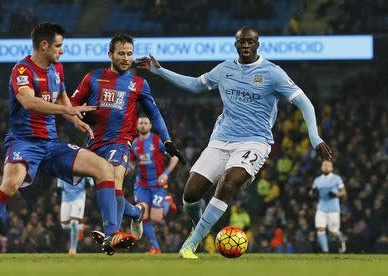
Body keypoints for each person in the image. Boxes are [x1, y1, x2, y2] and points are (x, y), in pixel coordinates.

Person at [136, 26, 333, 259]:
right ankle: (200, 227)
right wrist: (160, 72)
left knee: (229, 183)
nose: (246, 45)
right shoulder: (225, 68)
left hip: (255, 142)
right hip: (220, 140)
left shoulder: (272, 73)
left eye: (251, 41)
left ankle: (191, 243)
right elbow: (196, 85)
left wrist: (314, 136)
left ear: (258, 44)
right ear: (236, 44)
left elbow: (305, 103)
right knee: (190, 194)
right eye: (242, 42)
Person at [0, 22, 130, 259]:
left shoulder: (57, 69)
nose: (61, 51)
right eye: (58, 46)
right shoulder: (22, 71)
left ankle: (111, 235)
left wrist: (75, 119)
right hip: (24, 142)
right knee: (11, 183)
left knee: (104, 168)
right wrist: (66, 111)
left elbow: (63, 97)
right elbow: (28, 102)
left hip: (52, 144)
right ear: (44, 45)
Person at [70, 34, 185, 255]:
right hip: (94, 142)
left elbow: (154, 113)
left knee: (114, 179)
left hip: (121, 141)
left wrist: (167, 139)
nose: (126, 58)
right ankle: (135, 213)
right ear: (110, 54)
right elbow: (72, 104)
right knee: (107, 192)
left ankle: (111, 233)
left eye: (129, 54)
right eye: (121, 53)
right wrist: (78, 116)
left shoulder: (139, 84)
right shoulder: (93, 78)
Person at [129, 115, 179, 254]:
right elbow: (132, 163)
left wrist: (166, 174)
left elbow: (174, 156)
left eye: (146, 123)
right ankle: (155, 247)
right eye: (141, 123)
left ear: (150, 126)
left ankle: (168, 201)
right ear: (137, 126)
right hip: (141, 185)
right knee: (143, 216)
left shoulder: (157, 141)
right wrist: (127, 168)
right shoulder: (134, 144)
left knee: (156, 218)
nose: (143, 125)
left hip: (157, 184)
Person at [309, 160, 346, 253]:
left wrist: (336, 194)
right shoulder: (317, 180)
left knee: (333, 231)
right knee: (320, 229)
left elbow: (343, 192)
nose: (326, 167)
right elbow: (311, 193)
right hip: (321, 207)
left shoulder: (337, 179)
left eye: (328, 165)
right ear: (321, 167)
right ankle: (325, 251)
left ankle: (340, 239)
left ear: (332, 168)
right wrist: (313, 193)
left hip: (333, 208)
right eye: (324, 165)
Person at [57, 177, 94, 256]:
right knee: (64, 225)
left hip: (79, 197)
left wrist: (88, 183)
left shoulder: (84, 165)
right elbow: (59, 184)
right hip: (66, 198)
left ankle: (73, 249)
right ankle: (81, 227)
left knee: (74, 222)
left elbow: (90, 183)